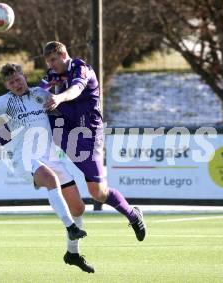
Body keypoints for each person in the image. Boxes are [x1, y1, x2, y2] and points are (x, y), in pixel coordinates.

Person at [0, 63, 95, 273]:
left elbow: (58, 92)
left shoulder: (40, 94)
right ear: (6, 85)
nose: (16, 84)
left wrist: (59, 89)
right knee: (50, 180)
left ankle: (72, 254)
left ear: (24, 76)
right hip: (24, 159)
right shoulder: (4, 101)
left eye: (18, 79)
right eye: (11, 83)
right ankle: (70, 227)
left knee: (78, 208)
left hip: (50, 157)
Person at [40, 41, 146, 241]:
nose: (51, 65)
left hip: (88, 135)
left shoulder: (82, 69)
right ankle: (38, 171)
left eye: (53, 60)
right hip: (64, 127)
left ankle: (133, 215)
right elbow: (40, 90)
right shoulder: (53, 74)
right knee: (36, 127)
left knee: (98, 193)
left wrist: (59, 98)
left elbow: (76, 91)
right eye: (48, 61)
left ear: (63, 55)